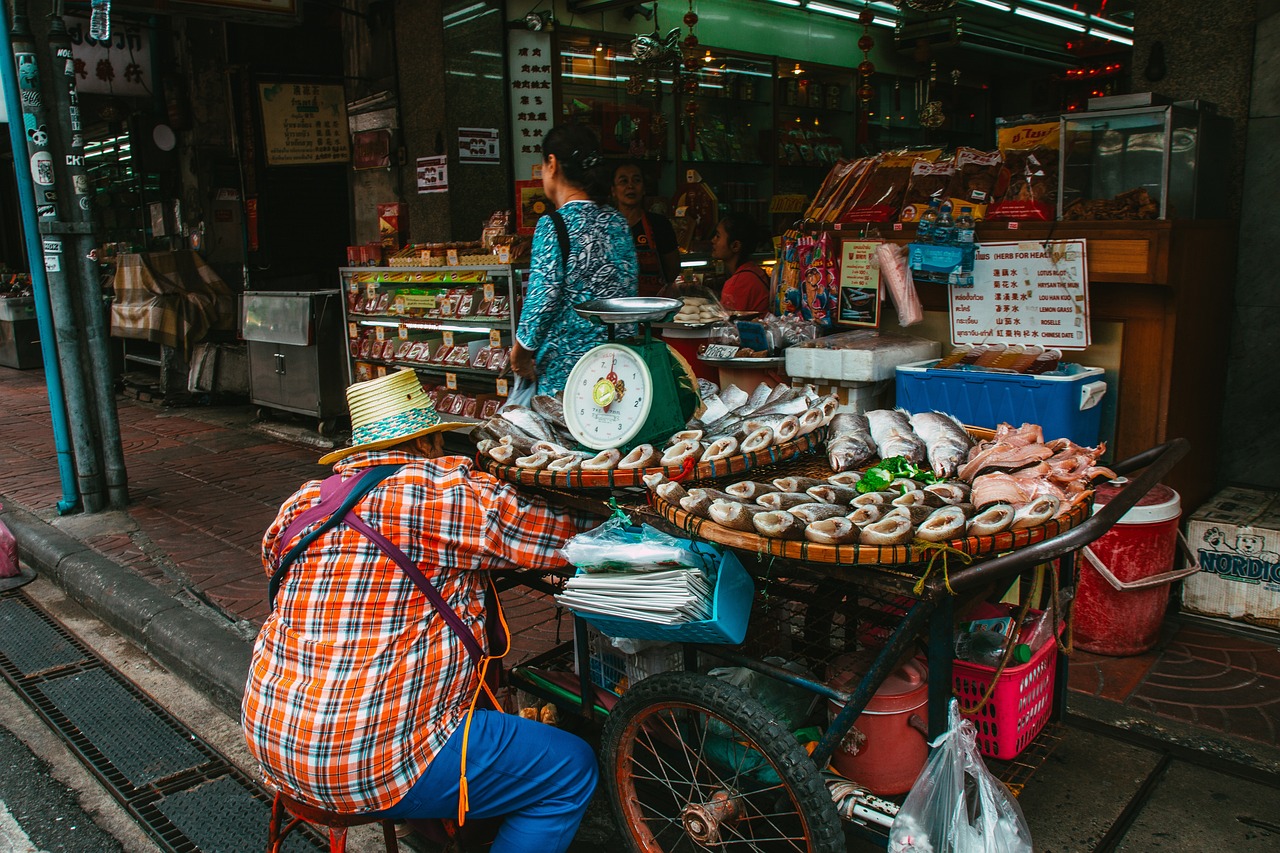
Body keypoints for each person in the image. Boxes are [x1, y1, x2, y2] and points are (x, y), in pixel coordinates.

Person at [242, 368, 597, 853]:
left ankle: (433, 825)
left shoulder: (303, 502)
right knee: (569, 770)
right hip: (362, 759)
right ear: (427, 443)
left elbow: (273, 564)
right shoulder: (435, 489)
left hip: (272, 736)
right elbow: (566, 539)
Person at [511, 125, 638, 395]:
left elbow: (542, 300)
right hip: (620, 368)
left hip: (568, 376)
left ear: (552, 164)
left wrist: (520, 354)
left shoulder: (553, 225)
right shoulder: (617, 222)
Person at [611, 160, 679, 296]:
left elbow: (673, 270)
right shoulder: (605, 226)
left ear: (644, 189)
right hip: (616, 308)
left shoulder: (659, 224)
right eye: (623, 181)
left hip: (654, 308)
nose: (630, 186)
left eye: (636, 180)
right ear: (613, 191)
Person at [710, 212, 771, 314]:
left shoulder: (738, 283)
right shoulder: (754, 270)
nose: (713, 240)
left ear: (735, 246)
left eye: (718, 236)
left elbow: (727, 325)